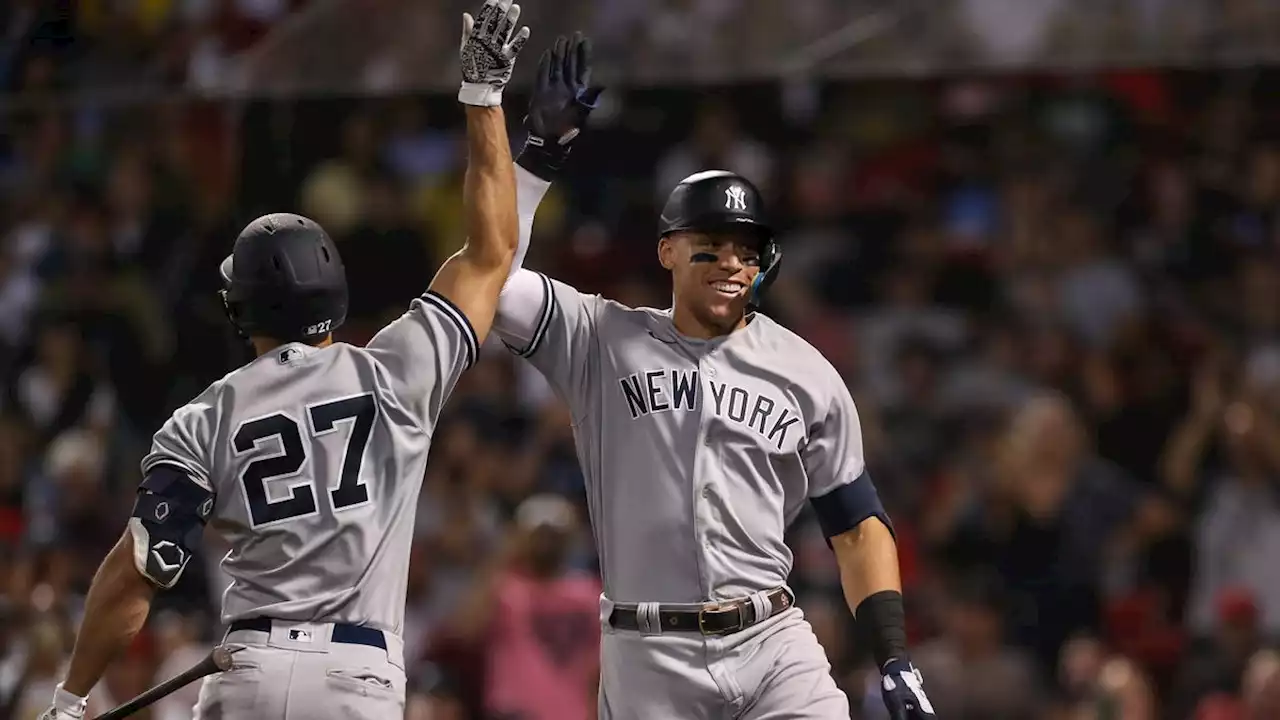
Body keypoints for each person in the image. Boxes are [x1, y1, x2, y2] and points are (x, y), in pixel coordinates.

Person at [38, 1, 532, 717]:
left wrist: (69, 699)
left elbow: (140, 567)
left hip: (252, 670)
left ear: (238, 309)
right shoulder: (397, 368)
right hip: (356, 675)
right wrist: (483, 100)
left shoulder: (205, 415)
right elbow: (491, 252)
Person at [492, 33, 936, 720]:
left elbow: (856, 525)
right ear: (668, 249)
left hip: (771, 639)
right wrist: (537, 159)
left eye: (747, 248)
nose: (732, 261)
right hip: (649, 656)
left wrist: (895, 657)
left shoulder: (806, 371)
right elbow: (490, 279)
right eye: (712, 244)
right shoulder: (600, 336)